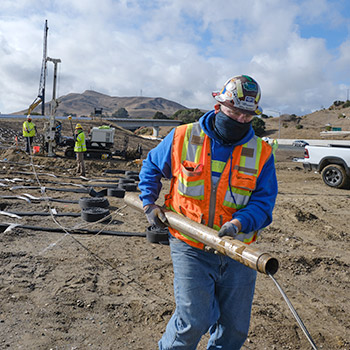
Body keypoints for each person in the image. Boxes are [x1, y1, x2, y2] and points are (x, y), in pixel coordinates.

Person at [138, 75, 278, 350]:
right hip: (190, 245)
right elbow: (152, 166)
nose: (240, 119)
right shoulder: (183, 136)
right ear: (218, 106)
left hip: (238, 250)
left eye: (247, 115)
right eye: (234, 111)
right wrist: (148, 201)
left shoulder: (261, 152)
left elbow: (264, 201)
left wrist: (239, 223)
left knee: (235, 329)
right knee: (193, 321)